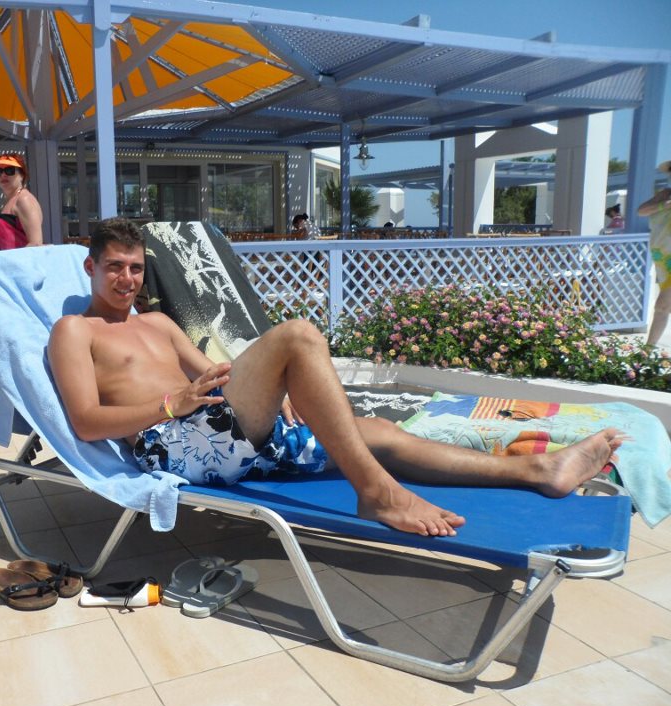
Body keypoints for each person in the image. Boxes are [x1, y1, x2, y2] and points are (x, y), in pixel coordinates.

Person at [47, 218, 622, 537]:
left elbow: (216, 379)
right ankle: (377, 495)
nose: (127, 279)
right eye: (114, 267)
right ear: (90, 266)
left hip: (222, 433)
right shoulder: (75, 331)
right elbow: (86, 422)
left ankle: (539, 470)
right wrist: (171, 405)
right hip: (171, 446)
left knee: (376, 432)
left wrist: (269, 393)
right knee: (296, 335)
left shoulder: (158, 322)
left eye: (135, 268)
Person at [638, 160, 671, 345]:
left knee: (662, 305)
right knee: (663, 306)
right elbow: (641, 211)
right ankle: (646, 352)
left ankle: (646, 352)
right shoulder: (665, 194)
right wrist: (665, 205)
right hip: (664, 259)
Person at [0, 154, 44, 250]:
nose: (3, 175)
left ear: (22, 175)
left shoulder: (24, 199)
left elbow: (36, 244)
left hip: (21, 259)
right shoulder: (11, 200)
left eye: (9, 170)